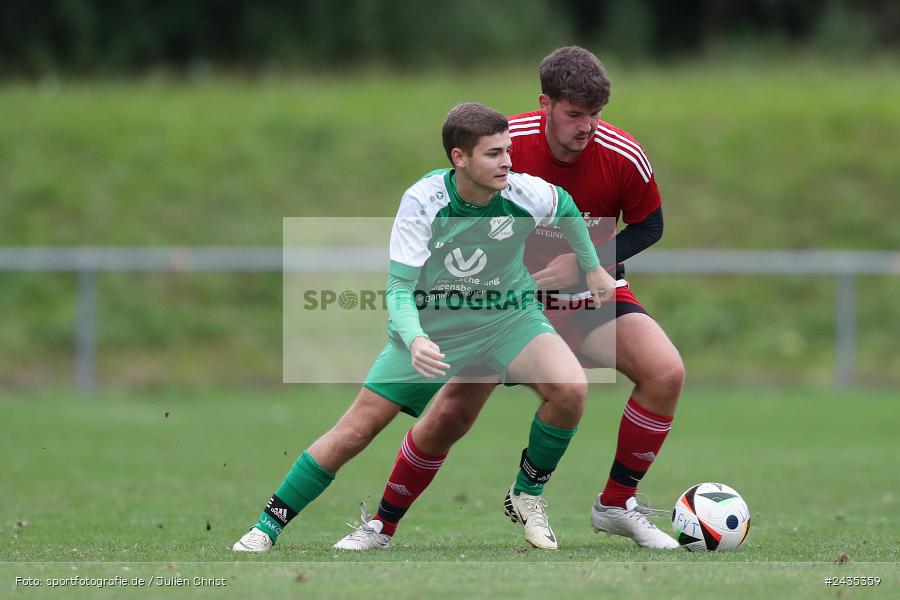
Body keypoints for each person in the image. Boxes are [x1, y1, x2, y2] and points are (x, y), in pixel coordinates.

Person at [336, 47, 684, 551]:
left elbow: (649, 225)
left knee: (665, 371)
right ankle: (381, 526)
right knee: (453, 412)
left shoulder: (622, 154)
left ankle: (615, 504)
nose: (588, 126)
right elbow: (448, 211)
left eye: (596, 114)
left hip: (585, 291)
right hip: (504, 301)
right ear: (545, 104)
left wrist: (591, 263)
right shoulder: (504, 142)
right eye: (574, 115)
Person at [232, 101, 617, 552]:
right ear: (459, 158)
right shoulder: (424, 202)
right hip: (432, 329)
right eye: (493, 154)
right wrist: (414, 339)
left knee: (570, 388)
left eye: (508, 151)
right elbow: (398, 290)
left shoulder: (523, 192)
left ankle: (526, 495)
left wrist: (592, 268)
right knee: (356, 431)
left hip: (508, 317)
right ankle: (268, 525)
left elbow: (567, 209)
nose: (508, 162)